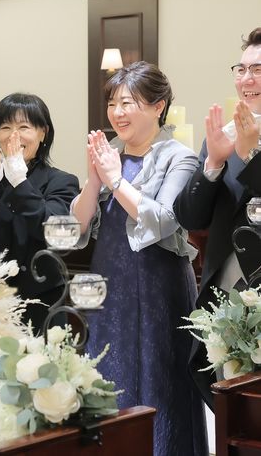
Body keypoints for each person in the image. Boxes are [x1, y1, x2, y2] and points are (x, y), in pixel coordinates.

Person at [71, 62, 208, 456]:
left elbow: (163, 220)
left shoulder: (179, 157)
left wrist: (116, 180)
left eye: (127, 103)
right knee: (107, 375)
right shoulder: (109, 153)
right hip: (109, 283)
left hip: (159, 286)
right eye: (112, 103)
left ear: (158, 107)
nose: (117, 112)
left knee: (159, 383)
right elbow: (77, 225)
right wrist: (94, 180)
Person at [174, 27, 261, 409]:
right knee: (234, 413)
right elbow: (189, 216)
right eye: (241, 69)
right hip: (224, 301)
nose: (247, 79)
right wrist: (212, 163)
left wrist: (252, 155)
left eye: (258, 69)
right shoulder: (223, 135)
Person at [0, 93, 79, 334]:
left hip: (43, 300)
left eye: (24, 127)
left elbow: (50, 229)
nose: (13, 135)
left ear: (43, 133)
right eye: (5, 127)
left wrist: (19, 179)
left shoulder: (62, 181)